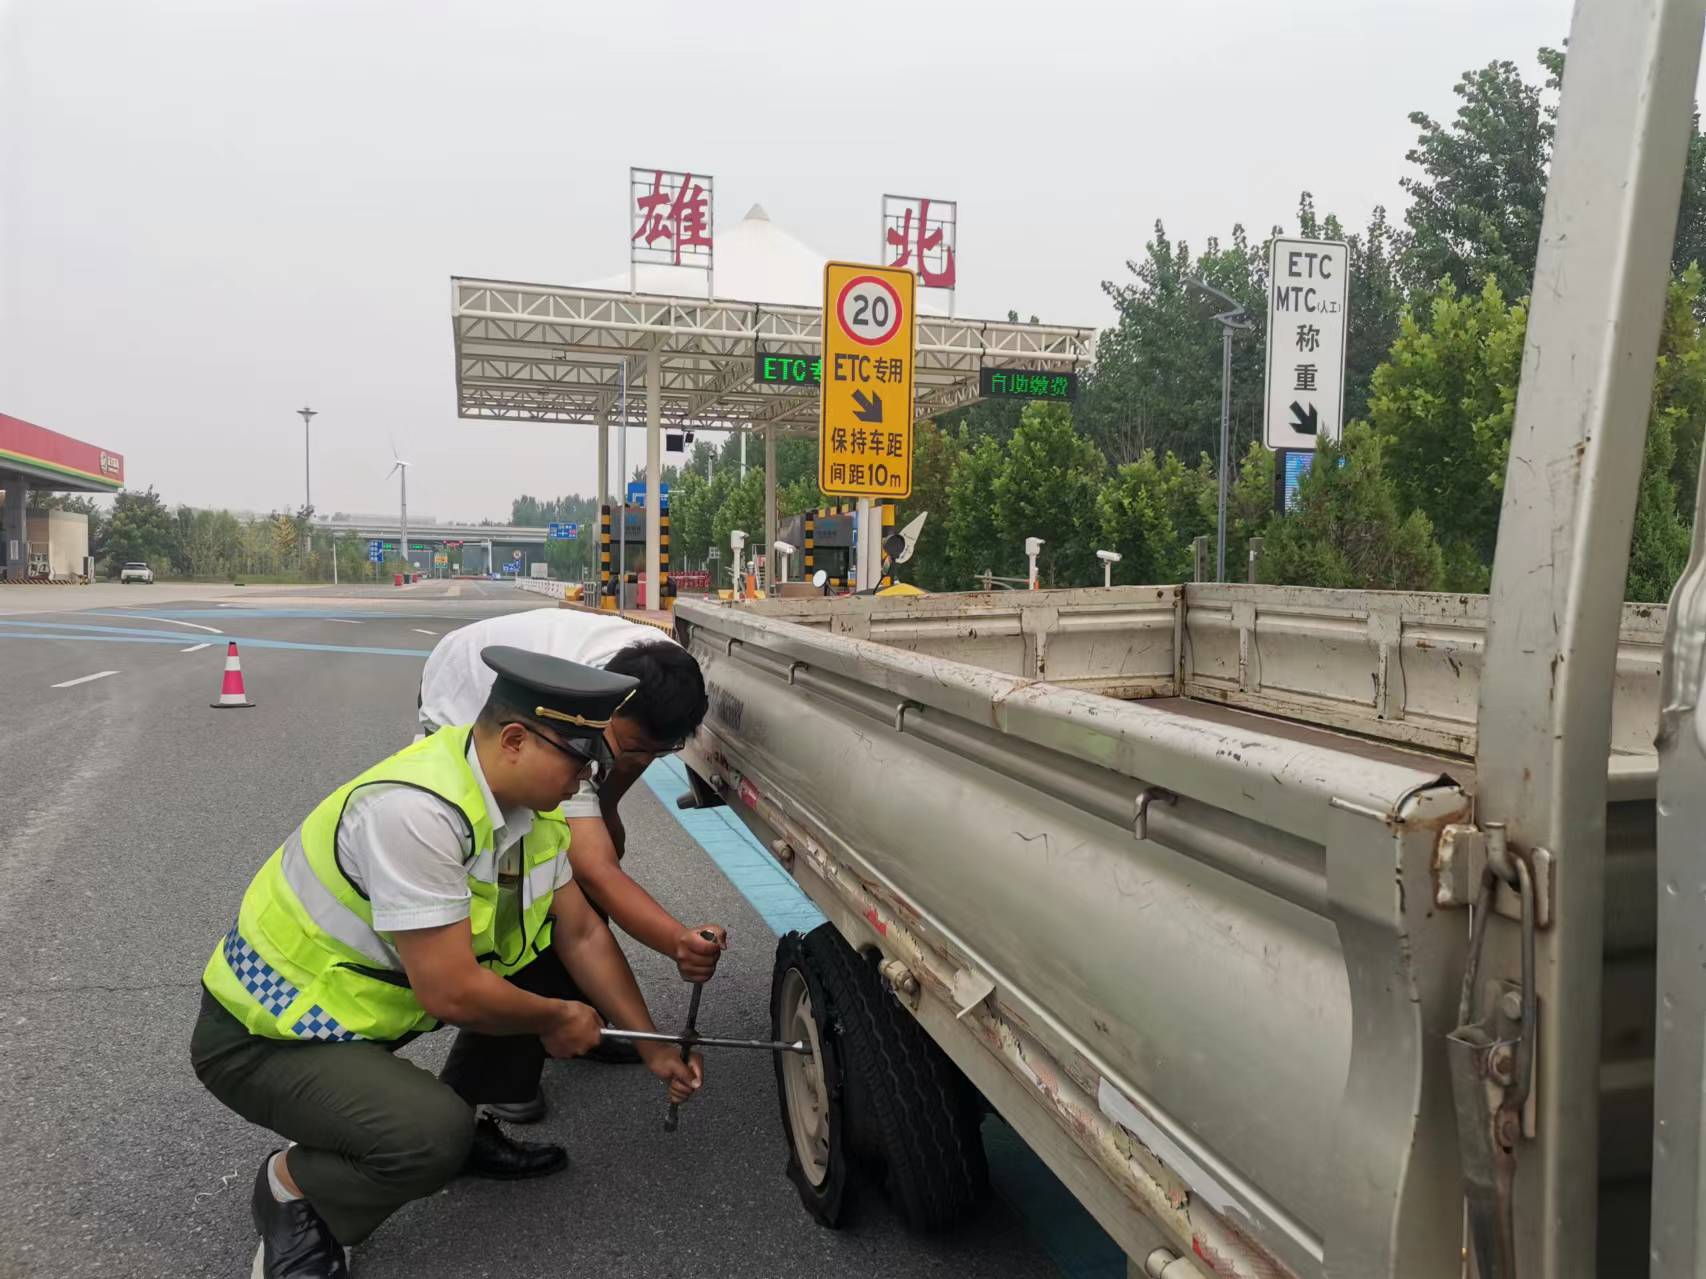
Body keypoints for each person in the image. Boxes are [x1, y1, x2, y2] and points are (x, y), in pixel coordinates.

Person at [192, 648, 704, 1279]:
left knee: (535, 971)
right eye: (584, 760)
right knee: (431, 1137)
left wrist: (654, 1047)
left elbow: (581, 935)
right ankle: (295, 1189)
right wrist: (556, 1018)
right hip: (263, 1035)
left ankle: (395, 1119)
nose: (589, 780)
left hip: (354, 1020)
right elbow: (452, 992)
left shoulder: (527, 811)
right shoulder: (416, 812)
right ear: (516, 739)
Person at [418, 608, 722, 1116]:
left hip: (561, 711)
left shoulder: (669, 681)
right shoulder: (569, 718)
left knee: (566, 898)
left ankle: (590, 1020)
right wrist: (676, 941)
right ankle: (494, 1083)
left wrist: (609, 807)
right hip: (465, 688)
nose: (642, 758)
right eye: (630, 746)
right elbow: (598, 872)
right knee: (523, 903)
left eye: (659, 750)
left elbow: (633, 753)